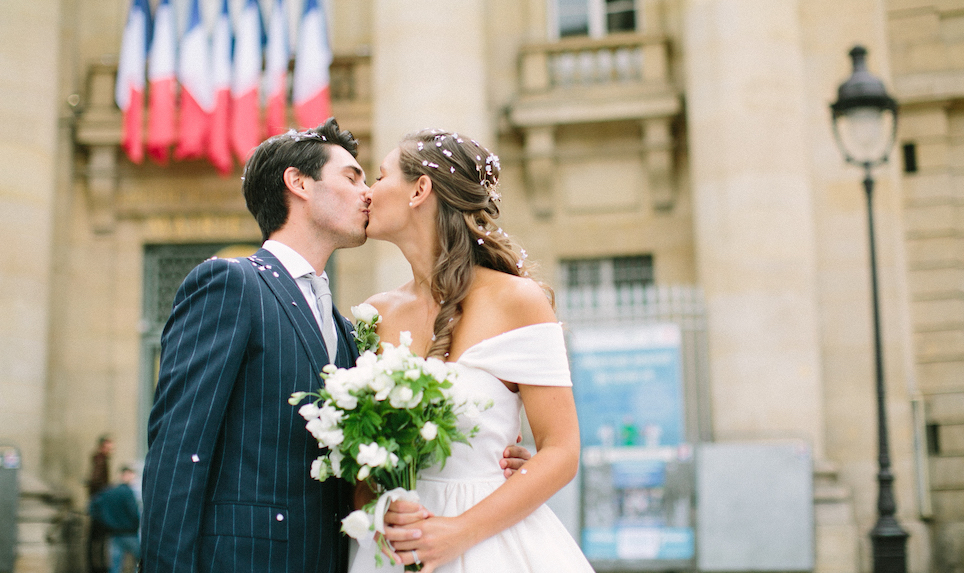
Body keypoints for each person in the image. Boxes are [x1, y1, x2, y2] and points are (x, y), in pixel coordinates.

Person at [140, 119, 528, 573]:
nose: (369, 192)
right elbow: (178, 447)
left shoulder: (352, 330)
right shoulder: (230, 283)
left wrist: (480, 455)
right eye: (352, 177)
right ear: (298, 183)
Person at [353, 130, 594, 572]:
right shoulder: (373, 315)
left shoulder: (516, 300)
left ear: (419, 190)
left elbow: (562, 450)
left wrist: (458, 532)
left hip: (489, 543)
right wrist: (375, 507)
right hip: (395, 545)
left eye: (381, 176)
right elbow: (359, 454)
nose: (368, 192)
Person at [90, 466, 141, 573]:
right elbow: (133, 513)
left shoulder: (109, 492)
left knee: (115, 566)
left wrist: (105, 521)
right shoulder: (128, 492)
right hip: (129, 534)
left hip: (114, 534)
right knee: (142, 560)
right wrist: (136, 524)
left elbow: (92, 506)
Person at [87, 435, 114, 573]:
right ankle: (97, 568)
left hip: (97, 500)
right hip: (99, 502)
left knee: (96, 537)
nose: (111, 449)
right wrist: (106, 492)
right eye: (108, 446)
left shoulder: (99, 459)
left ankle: (96, 567)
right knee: (99, 537)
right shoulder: (100, 460)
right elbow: (96, 480)